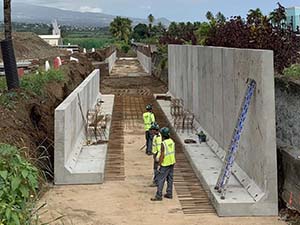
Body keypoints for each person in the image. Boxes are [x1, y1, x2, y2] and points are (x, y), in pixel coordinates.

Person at [151, 127, 176, 201]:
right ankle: (169, 193)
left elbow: (162, 155)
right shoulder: (172, 141)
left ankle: (159, 195)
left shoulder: (163, 144)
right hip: (172, 163)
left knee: (161, 179)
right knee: (170, 179)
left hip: (165, 164)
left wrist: (159, 165)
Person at [149, 122, 162, 187]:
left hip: (157, 155)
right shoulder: (155, 136)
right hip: (155, 154)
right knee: (156, 169)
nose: (151, 131)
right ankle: (156, 180)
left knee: (156, 169)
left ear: (155, 130)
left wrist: (157, 157)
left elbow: (159, 149)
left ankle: (156, 181)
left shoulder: (158, 138)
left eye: (152, 130)